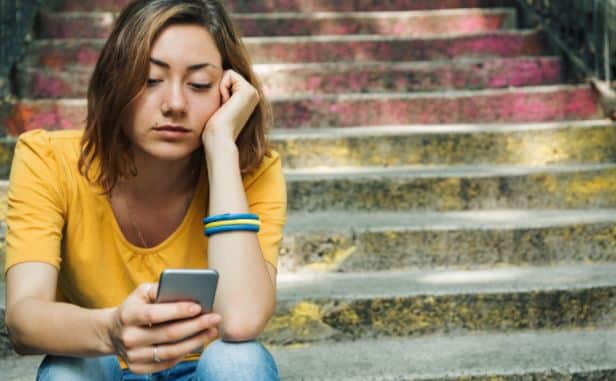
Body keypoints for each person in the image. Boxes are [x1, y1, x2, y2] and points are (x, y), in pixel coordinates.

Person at [3, 0, 286, 379]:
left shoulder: (250, 170)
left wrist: (221, 146)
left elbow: (241, 321)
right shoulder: (48, 159)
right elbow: (24, 317)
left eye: (200, 84)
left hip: (203, 368)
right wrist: (111, 330)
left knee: (238, 361)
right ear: (115, 80)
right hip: (104, 357)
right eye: (151, 79)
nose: (174, 104)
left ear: (228, 92)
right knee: (69, 370)